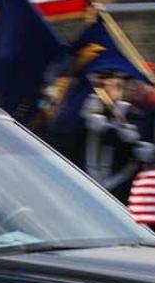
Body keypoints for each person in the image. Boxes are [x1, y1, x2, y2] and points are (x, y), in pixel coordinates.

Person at [61, 68, 145, 203]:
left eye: (115, 86)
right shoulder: (87, 107)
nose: (107, 90)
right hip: (85, 175)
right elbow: (69, 140)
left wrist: (111, 130)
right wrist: (82, 121)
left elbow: (133, 145)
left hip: (117, 180)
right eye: (102, 86)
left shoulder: (132, 113)